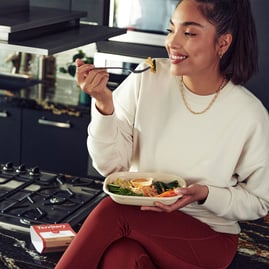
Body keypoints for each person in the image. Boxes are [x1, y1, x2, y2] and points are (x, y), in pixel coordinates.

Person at [56, 0, 269, 268]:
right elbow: (111, 167)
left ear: (222, 43)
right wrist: (104, 105)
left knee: (113, 210)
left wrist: (204, 193)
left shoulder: (249, 114)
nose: (172, 43)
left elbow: (260, 202)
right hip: (138, 220)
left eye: (189, 33)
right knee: (121, 256)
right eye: (171, 30)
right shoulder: (147, 78)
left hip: (208, 236)